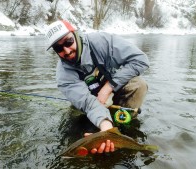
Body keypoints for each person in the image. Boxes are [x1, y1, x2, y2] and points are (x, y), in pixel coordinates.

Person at [46, 20, 149, 155]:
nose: (67, 50)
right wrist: (106, 126)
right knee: (81, 129)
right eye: (58, 48)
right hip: (90, 103)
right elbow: (88, 104)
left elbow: (141, 60)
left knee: (139, 85)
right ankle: (110, 127)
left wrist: (108, 87)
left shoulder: (102, 41)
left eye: (68, 42)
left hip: (113, 89)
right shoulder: (63, 76)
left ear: (75, 34)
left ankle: (124, 127)